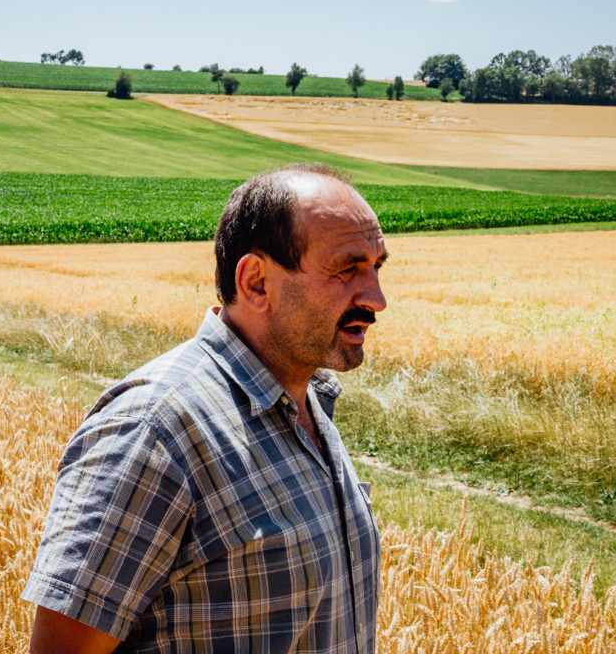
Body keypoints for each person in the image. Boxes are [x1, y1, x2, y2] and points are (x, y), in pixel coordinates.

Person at [22, 163, 388, 653]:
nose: (377, 299)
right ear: (256, 282)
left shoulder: (309, 402)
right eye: (347, 269)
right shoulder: (155, 431)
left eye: (376, 267)